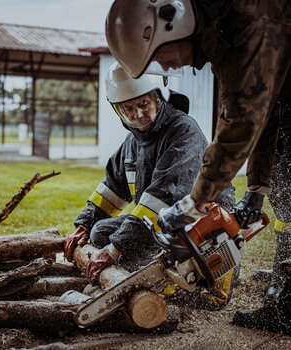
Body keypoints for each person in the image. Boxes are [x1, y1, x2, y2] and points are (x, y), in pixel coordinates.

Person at [105, 0, 291, 333]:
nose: (166, 65)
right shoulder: (225, 34)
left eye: (160, 55)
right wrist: (258, 188)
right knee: (284, 192)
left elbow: (241, 123)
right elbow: (268, 114)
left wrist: (195, 201)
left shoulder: (248, 25)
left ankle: (287, 301)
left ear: (172, 26)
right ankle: (286, 302)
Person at [64, 60, 236, 310]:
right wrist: (84, 224)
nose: (137, 115)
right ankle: (145, 281)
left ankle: (194, 289)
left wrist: (114, 250)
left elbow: (164, 198)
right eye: (127, 109)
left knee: (120, 242)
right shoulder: (133, 141)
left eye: (143, 104)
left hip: (203, 225)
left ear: (159, 95)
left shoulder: (183, 131)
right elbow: (111, 189)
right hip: (164, 223)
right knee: (100, 231)